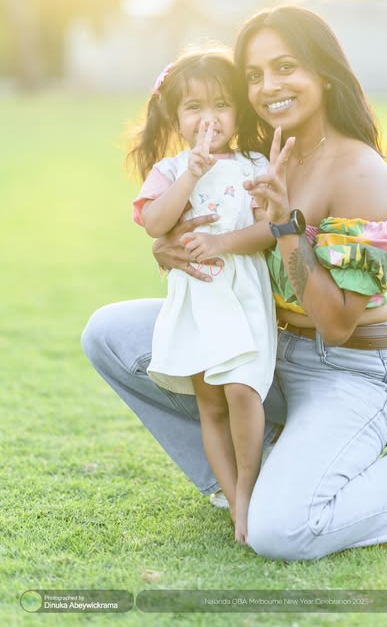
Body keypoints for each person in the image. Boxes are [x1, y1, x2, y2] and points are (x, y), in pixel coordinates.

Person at [82, 5, 387, 561]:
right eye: (253, 75)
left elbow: (337, 324)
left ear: (322, 71)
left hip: (348, 370)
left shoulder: (358, 171)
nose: (269, 86)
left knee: (280, 534)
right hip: (263, 346)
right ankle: (246, 486)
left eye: (286, 66)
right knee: (109, 334)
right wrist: (167, 246)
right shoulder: (254, 151)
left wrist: (286, 228)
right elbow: (203, 228)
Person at [127, 49, 277, 543]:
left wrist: (221, 242)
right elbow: (154, 223)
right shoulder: (172, 170)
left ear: (238, 112)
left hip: (244, 295)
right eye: (194, 108)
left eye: (221, 105)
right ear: (175, 117)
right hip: (198, 299)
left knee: (242, 390)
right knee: (211, 403)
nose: (209, 119)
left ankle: (252, 488)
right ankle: (237, 506)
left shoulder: (253, 164)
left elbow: (267, 232)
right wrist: (191, 172)